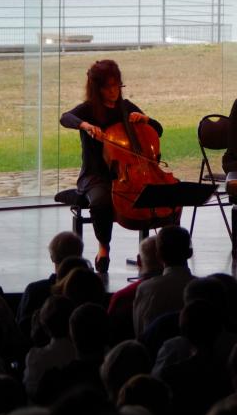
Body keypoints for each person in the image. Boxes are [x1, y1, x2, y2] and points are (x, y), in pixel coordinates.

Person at [60, 59, 163, 273]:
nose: (114, 91)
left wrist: (145, 119)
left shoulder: (126, 108)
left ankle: (150, 250)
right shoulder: (88, 110)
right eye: (109, 87)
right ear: (97, 88)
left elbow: (157, 130)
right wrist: (85, 125)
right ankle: (104, 247)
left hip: (130, 174)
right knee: (101, 202)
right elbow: (65, 117)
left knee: (156, 194)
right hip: (96, 175)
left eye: (117, 86)